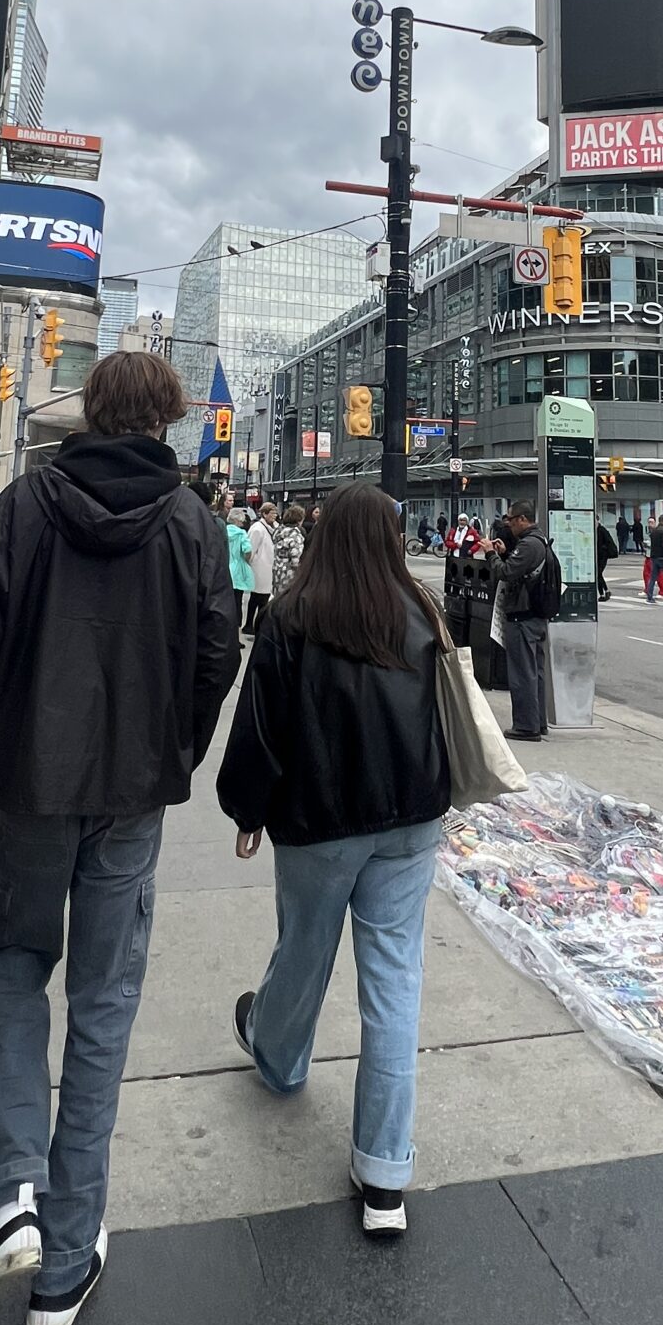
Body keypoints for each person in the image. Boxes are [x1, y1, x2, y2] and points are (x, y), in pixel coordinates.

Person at [0, 351, 240, 1325]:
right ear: (170, 418)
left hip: (30, 783)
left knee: (16, 967)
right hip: (131, 793)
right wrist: (173, 749)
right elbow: (215, 651)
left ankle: (11, 1191)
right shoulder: (194, 520)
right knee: (103, 1002)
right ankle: (64, 1261)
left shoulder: (27, 501)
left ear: (95, 410)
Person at [218, 480, 451, 1237]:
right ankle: (385, 1176)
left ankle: (279, 1059)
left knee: (304, 951)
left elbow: (261, 722)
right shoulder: (422, 613)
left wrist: (248, 808)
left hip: (320, 820)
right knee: (394, 982)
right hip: (411, 819)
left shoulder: (292, 616)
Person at [496, 502, 555, 742]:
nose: (508, 524)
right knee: (535, 672)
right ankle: (537, 722)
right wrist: (506, 554)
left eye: (510, 520)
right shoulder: (539, 541)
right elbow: (519, 568)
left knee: (523, 673)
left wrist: (491, 554)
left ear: (522, 519)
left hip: (523, 616)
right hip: (535, 616)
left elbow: (506, 572)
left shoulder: (529, 544)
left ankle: (526, 726)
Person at [244, 503, 275, 633]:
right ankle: (250, 625)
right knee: (257, 598)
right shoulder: (257, 529)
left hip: (268, 567)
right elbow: (251, 549)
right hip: (259, 568)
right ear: (264, 514)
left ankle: (256, 625)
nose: (275, 516)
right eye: (272, 513)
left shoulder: (273, 528)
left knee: (263, 598)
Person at [273, 501, 307, 597]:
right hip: (290, 574)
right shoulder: (295, 534)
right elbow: (296, 559)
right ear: (300, 519)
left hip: (278, 571)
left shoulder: (279, 532)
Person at [594, 516, 616, 601]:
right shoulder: (593, 530)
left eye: (595, 520)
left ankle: (604, 593)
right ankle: (604, 592)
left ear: (598, 521)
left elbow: (608, 542)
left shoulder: (602, 530)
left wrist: (603, 549)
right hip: (597, 555)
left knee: (598, 574)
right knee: (598, 574)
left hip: (602, 556)